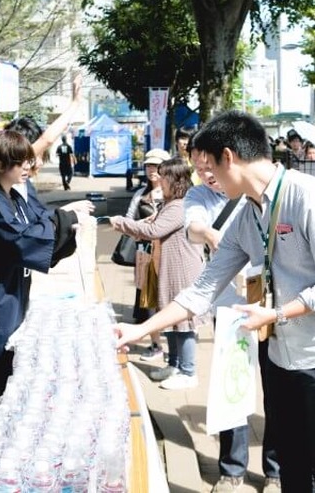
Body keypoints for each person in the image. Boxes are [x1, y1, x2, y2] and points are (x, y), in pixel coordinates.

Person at [115, 110, 315, 492]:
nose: (209, 179)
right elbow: (202, 288)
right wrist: (139, 329)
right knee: (290, 463)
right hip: (282, 355)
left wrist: (276, 312)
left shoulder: (312, 198)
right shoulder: (247, 214)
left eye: (210, 168)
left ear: (229, 157)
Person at [0, 130, 90, 443]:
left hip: (13, 295)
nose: (26, 168)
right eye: (18, 162)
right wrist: (66, 217)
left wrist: (66, 220)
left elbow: (40, 223)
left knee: (8, 372)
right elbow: (23, 240)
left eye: (27, 162)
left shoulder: (14, 196)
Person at [184, 140, 280, 492]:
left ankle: (276, 468)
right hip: (228, 306)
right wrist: (208, 233)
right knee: (233, 385)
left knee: (276, 388)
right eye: (198, 166)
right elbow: (194, 225)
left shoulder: (256, 191)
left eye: (210, 165)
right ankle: (232, 469)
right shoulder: (198, 197)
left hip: (270, 305)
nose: (207, 174)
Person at [111, 157, 206, 390]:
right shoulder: (171, 204)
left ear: (175, 180)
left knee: (183, 323)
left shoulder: (180, 205)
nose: (159, 180)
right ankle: (174, 364)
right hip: (171, 268)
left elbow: (154, 230)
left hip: (183, 270)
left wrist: (123, 223)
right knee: (170, 319)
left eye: (163, 176)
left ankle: (188, 371)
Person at [123, 148, 171, 359]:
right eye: (149, 165)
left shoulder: (176, 195)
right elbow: (129, 220)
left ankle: (177, 350)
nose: (152, 170)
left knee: (170, 300)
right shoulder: (140, 194)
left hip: (170, 254)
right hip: (146, 254)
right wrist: (141, 228)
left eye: (156, 166)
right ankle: (155, 344)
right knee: (149, 301)